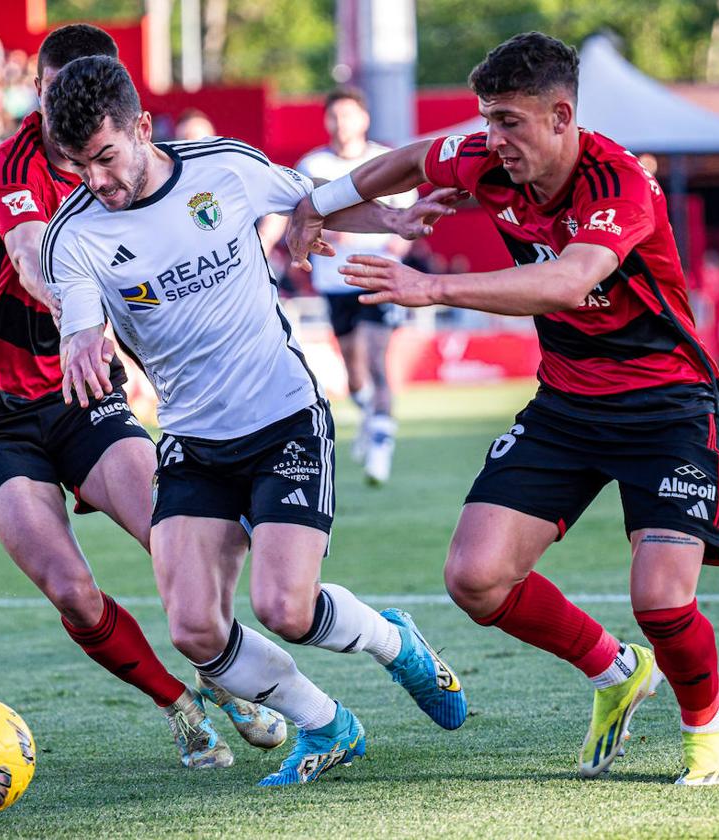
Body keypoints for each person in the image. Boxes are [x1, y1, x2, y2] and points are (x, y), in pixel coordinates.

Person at [288, 32, 719, 786]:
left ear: (562, 116)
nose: (491, 140)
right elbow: (405, 160)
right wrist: (316, 203)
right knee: (475, 577)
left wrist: (432, 288)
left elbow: (568, 281)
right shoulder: (484, 156)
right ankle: (616, 672)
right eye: (487, 119)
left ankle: (705, 731)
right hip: (567, 403)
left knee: (661, 600)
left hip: (668, 407)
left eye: (509, 123)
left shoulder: (618, 182)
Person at [41, 56, 467, 787]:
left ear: (142, 129)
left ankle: (393, 642)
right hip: (192, 442)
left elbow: (315, 200)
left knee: (285, 608)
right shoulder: (73, 235)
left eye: (106, 158)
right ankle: (328, 726)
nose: (96, 181)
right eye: (78, 166)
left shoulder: (225, 168)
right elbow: (79, 314)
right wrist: (80, 337)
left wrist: (389, 219)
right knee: (194, 627)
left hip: (284, 420)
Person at [0, 24, 285, 772]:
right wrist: (79, 319)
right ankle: (179, 706)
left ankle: (215, 669)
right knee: (73, 589)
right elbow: (29, 257)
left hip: (80, 398)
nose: (72, 116)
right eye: (60, 95)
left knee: (192, 536)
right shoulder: (10, 169)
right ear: (39, 92)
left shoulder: (138, 171)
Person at [295, 86, 416, 484]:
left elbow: (407, 223)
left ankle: (382, 444)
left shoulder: (386, 161)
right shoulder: (313, 163)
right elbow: (302, 219)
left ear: (364, 119)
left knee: (377, 357)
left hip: (380, 277)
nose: (341, 123)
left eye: (348, 115)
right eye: (334, 116)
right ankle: (370, 417)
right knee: (354, 373)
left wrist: (378, 240)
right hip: (335, 283)